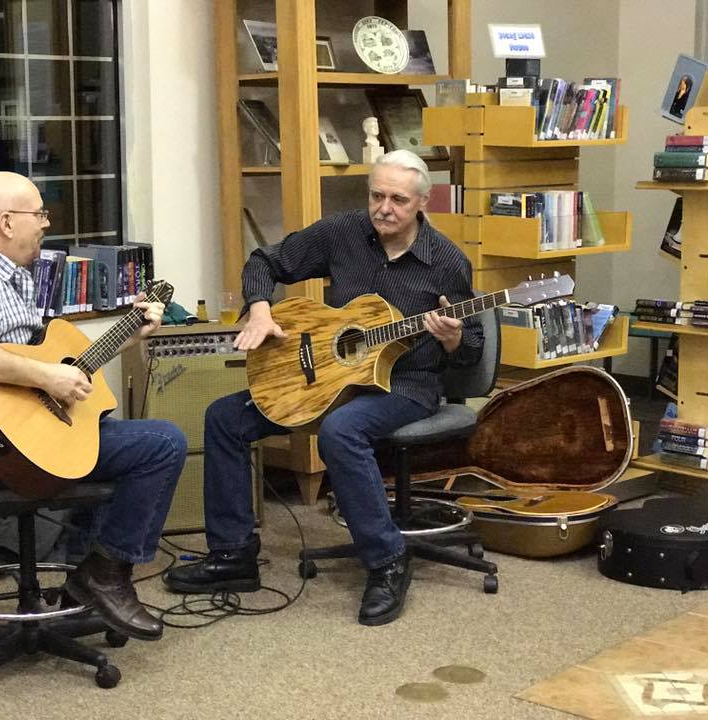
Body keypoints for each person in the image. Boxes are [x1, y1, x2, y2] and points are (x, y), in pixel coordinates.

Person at [164, 150, 483, 626]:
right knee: (225, 418)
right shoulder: (343, 232)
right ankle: (233, 556)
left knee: (341, 430)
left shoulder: (447, 262)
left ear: (422, 202)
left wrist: (453, 338)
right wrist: (260, 308)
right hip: (328, 374)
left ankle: (388, 561)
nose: (384, 208)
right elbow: (264, 261)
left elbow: (471, 351)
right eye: (376, 196)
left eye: (398, 200)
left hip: (405, 385)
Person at [0, 171, 186, 642]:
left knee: (99, 434)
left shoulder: (3, 275)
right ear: (6, 222)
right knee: (163, 444)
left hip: (9, 439)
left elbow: (47, 363)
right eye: (38, 214)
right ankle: (103, 575)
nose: (46, 223)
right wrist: (46, 377)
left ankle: (82, 583)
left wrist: (127, 335)